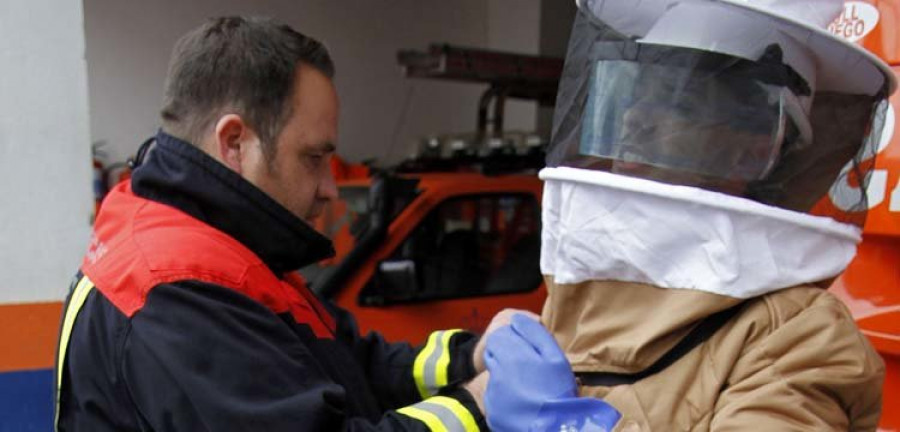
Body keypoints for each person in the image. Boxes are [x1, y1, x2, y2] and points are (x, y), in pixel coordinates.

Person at [54, 16, 518, 431]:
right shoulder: (175, 289)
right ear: (235, 142)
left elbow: (350, 363)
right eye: (313, 158)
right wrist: (480, 405)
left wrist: (473, 355)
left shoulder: (224, 252)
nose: (330, 188)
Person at [483, 0, 893, 430]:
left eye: (676, 100)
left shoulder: (801, 335)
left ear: (758, 148)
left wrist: (563, 425)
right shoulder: (597, 283)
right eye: (633, 91)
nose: (634, 118)